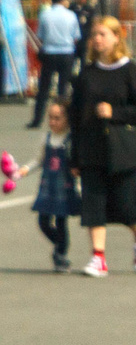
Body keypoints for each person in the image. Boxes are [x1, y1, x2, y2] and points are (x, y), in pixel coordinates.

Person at [69, 16, 136, 279]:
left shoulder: (130, 70)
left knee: (126, 207)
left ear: (117, 37)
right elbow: (75, 116)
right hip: (91, 148)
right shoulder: (86, 74)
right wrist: (75, 157)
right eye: (94, 35)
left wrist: (114, 113)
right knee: (93, 205)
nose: (97, 39)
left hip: (122, 149)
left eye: (103, 34)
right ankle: (98, 258)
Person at [33, 98, 77, 272]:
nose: (52, 122)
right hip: (47, 188)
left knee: (61, 221)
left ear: (67, 119)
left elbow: (77, 165)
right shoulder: (47, 138)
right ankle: (60, 245)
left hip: (64, 188)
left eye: (57, 118)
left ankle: (60, 254)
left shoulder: (70, 140)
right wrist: (23, 170)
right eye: (50, 117)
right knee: (43, 222)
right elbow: (39, 160)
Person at [27, 0, 81, 126]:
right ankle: (63, 119)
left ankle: (37, 120)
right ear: (63, 0)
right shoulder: (71, 15)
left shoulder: (45, 15)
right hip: (67, 53)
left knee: (44, 88)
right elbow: (76, 36)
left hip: (49, 53)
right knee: (63, 88)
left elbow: (40, 36)